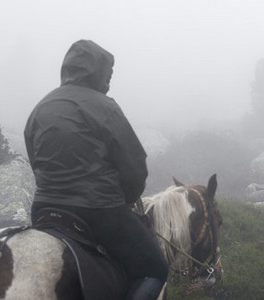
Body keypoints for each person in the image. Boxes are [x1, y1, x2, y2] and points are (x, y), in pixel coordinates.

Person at [24, 40, 167, 300]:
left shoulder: (40, 108)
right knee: (155, 270)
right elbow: (135, 167)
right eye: (107, 74)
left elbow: (35, 161)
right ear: (97, 72)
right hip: (98, 210)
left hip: (44, 208)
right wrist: (123, 199)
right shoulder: (104, 106)